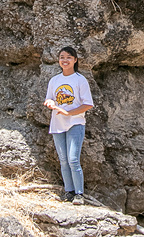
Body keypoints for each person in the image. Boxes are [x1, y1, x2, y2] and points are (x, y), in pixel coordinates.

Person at [44, 46, 94, 205]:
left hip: (75, 123)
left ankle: (79, 194)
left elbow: (88, 104)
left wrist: (68, 113)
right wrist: (50, 103)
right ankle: (69, 192)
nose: (64, 60)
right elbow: (49, 99)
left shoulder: (80, 80)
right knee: (63, 160)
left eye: (68, 57)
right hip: (57, 124)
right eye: (62, 57)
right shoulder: (54, 80)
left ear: (75, 60)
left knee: (73, 159)